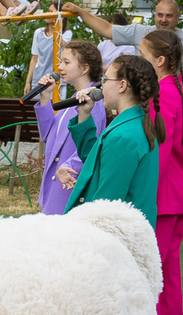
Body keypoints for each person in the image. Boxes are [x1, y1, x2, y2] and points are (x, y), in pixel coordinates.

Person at [138, 29, 183, 315]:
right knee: (168, 278)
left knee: (154, 278)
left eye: (143, 56)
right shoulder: (175, 89)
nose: (138, 60)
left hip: (163, 197)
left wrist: (145, 195)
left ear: (159, 61)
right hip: (174, 193)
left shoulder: (164, 94)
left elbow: (159, 151)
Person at [61, 55, 163, 216]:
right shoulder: (134, 123)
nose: (101, 86)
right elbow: (95, 163)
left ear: (122, 85)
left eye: (105, 79)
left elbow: (106, 203)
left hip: (115, 228)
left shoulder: (123, 136)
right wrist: (84, 115)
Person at [34, 38, 105, 216]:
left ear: (84, 68)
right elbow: (48, 135)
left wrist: (69, 166)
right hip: (56, 182)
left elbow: (91, 145)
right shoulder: (73, 100)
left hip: (68, 181)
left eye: (66, 62)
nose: (60, 67)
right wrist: (45, 96)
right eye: (61, 62)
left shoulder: (91, 102)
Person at [67, 0, 183, 79]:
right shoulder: (140, 32)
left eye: (169, 16)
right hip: (144, 99)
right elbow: (107, 29)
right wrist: (80, 12)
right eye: (160, 15)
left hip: (173, 99)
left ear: (178, 16)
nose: (163, 20)